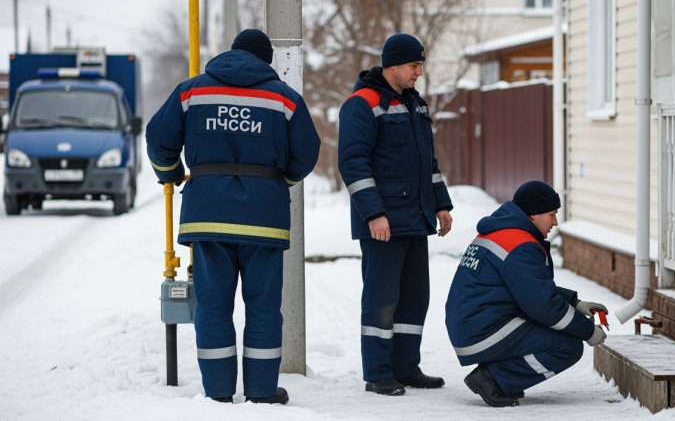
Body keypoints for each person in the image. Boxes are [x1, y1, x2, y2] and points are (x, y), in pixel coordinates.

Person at [146, 29, 321, 404]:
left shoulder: (191, 91)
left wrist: (172, 174)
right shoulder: (285, 99)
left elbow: (158, 138)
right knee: (263, 308)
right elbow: (306, 154)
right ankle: (260, 391)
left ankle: (219, 392)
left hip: (207, 216)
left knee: (213, 307)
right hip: (264, 219)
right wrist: (277, 182)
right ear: (267, 61)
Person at [337, 33, 454, 396]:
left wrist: (441, 203)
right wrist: (374, 214)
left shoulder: (416, 105)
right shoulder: (362, 103)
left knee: (415, 298)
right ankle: (378, 373)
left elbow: (428, 164)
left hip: (416, 219)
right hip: (383, 224)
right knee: (381, 300)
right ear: (391, 66)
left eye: (421, 65)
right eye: (413, 65)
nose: (420, 72)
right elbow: (352, 164)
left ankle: (406, 368)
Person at [445, 181, 608, 407]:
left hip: (474, 322)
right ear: (533, 215)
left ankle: (503, 377)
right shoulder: (520, 244)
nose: (555, 222)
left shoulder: (503, 232)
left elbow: (524, 287)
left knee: (551, 329)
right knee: (567, 346)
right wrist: (588, 331)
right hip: (483, 330)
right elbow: (542, 306)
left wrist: (575, 302)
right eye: (551, 214)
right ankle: (493, 379)